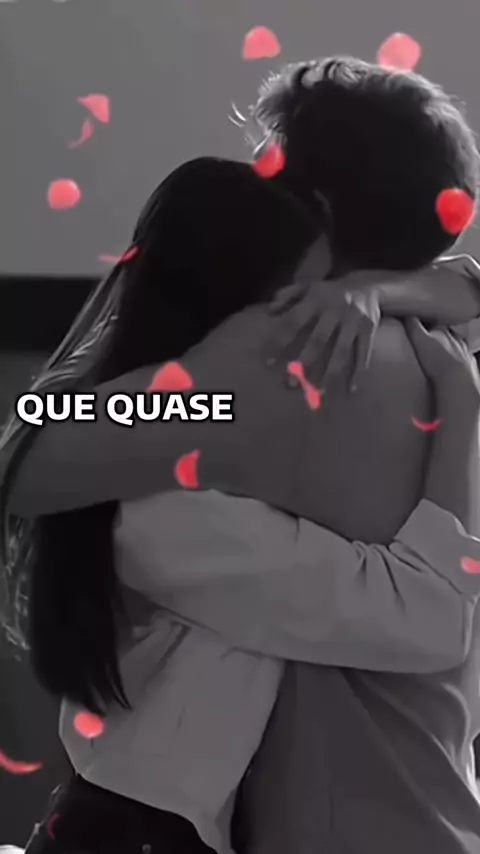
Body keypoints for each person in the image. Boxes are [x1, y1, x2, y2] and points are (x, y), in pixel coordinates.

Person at [2, 56, 480, 854]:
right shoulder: (445, 347)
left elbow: (26, 459)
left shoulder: (279, 357)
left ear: (315, 207)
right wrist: (406, 304)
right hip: (437, 798)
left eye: (266, 165)